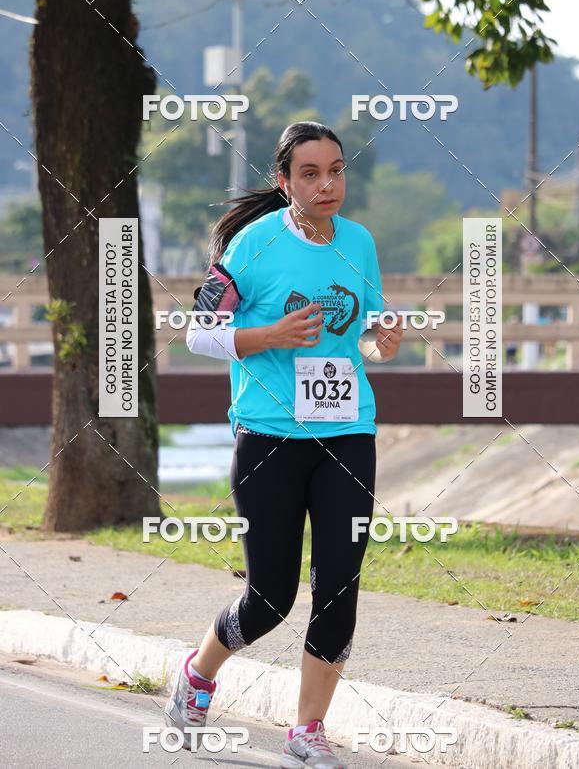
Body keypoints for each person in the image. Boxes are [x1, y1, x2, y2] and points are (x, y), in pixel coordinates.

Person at [165, 121, 403, 767]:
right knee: (270, 598)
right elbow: (196, 334)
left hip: (348, 432)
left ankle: (307, 729)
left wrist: (381, 340)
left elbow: (362, 335)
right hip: (269, 437)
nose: (328, 184)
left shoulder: (359, 243)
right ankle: (199, 671)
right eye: (310, 173)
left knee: (341, 585)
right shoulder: (251, 246)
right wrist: (267, 336)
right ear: (284, 181)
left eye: (336, 170)